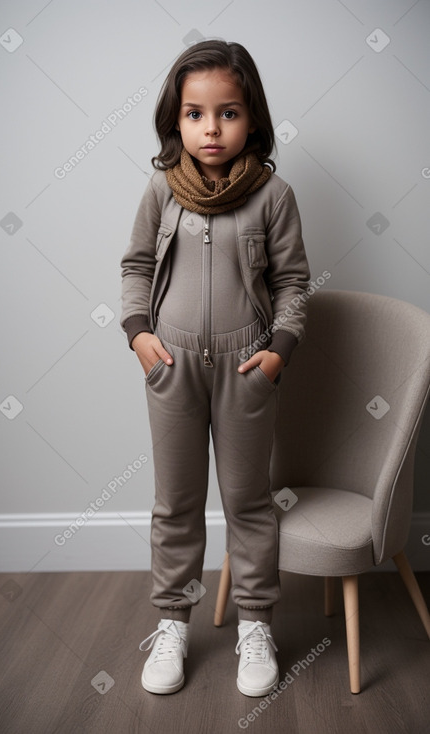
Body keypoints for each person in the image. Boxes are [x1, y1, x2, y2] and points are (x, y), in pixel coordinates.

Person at [120, 39, 311, 697]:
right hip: (171, 367)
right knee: (175, 504)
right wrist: (137, 335)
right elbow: (136, 266)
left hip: (245, 371)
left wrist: (277, 351)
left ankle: (255, 622)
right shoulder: (159, 190)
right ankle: (171, 622)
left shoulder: (272, 195)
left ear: (251, 118)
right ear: (175, 120)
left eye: (226, 113)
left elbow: (292, 282)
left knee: (249, 503)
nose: (210, 128)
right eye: (195, 114)